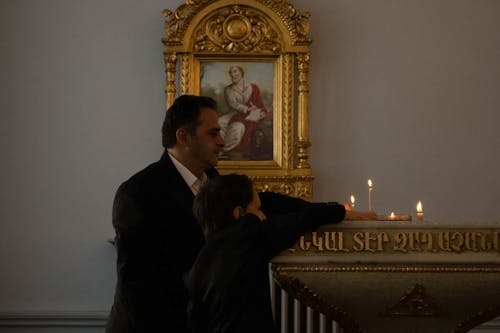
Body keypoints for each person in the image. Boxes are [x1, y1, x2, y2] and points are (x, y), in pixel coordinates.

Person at [106, 95, 225, 333]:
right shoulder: (138, 192)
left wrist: (321, 210)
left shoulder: (214, 182)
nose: (222, 141)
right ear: (183, 137)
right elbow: (138, 289)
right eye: (213, 133)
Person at [184, 174, 349, 333]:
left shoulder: (201, 262)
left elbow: (196, 320)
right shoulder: (247, 236)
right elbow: (303, 219)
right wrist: (342, 211)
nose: (263, 215)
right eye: (257, 209)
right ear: (238, 213)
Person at [221, 65, 269, 155]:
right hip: (235, 114)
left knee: (237, 128)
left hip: (251, 114)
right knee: (219, 123)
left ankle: (225, 149)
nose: (232, 74)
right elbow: (233, 104)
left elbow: (259, 103)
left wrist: (261, 112)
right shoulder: (228, 90)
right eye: (231, 73)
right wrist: (247, 109)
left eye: (235, 71)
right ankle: (219, 148)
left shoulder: (252, 87)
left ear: (241, 72)